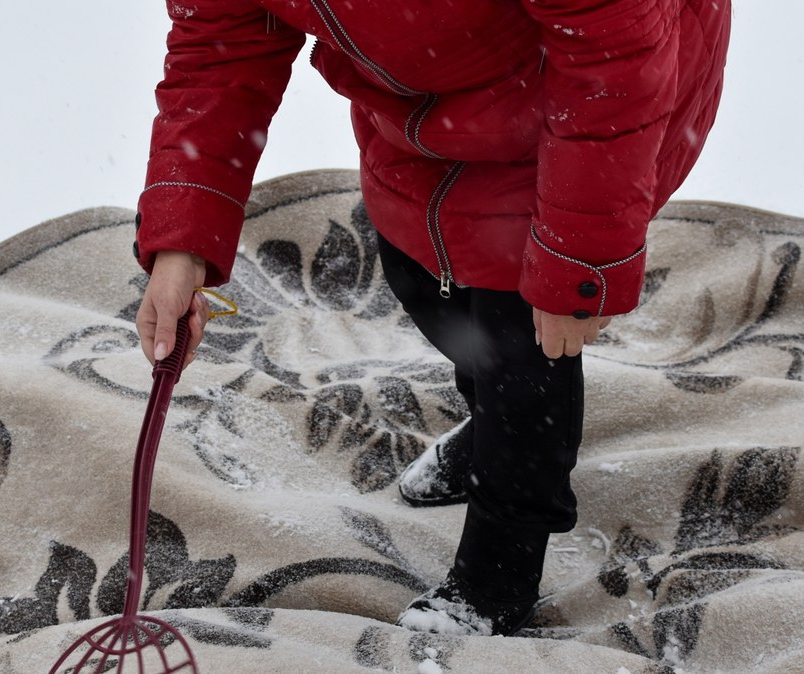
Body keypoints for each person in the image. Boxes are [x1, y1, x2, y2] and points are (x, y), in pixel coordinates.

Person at [132, 0, 730, 636]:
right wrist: (182, 245)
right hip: (425, 107)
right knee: (419, 271)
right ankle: (489, 421)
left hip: (594, 94)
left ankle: (496, 574)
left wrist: (575, 263)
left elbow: (614, 61)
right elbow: (222, 48)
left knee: (522, 350)